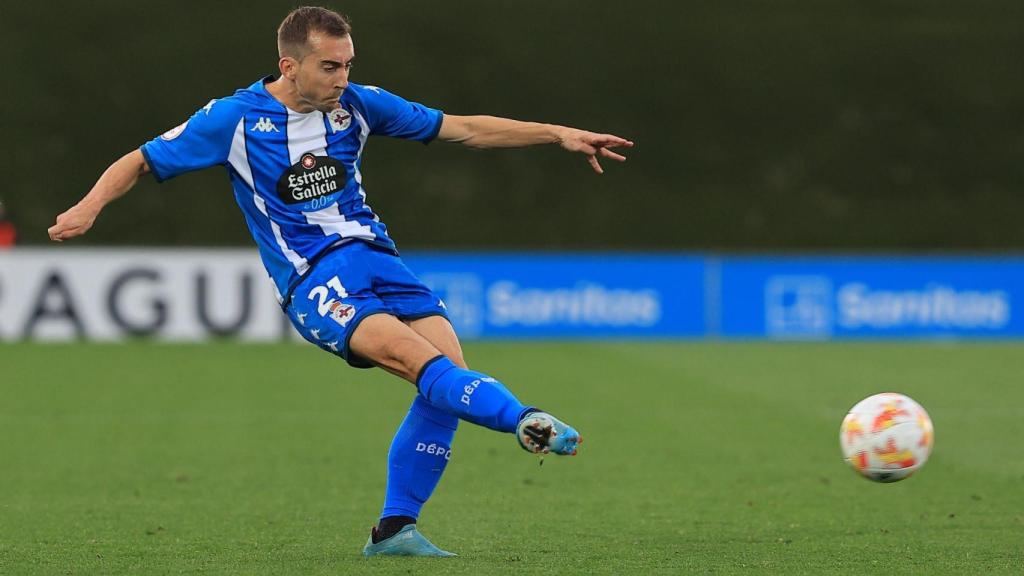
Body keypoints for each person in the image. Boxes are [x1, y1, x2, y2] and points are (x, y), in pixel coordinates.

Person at [47, 6, 632, 557]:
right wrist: (87, 208)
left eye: (348, 63)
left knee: (449, 373)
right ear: (289, 66)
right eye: (330, 65)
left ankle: (395, 529)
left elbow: (466, 129)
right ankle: (525, 419)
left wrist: (557, 133)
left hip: (378, 258)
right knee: (424, 366)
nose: (342, 76)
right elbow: (142, 159)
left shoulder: (357, 105)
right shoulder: (235, 118)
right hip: (313, 277)